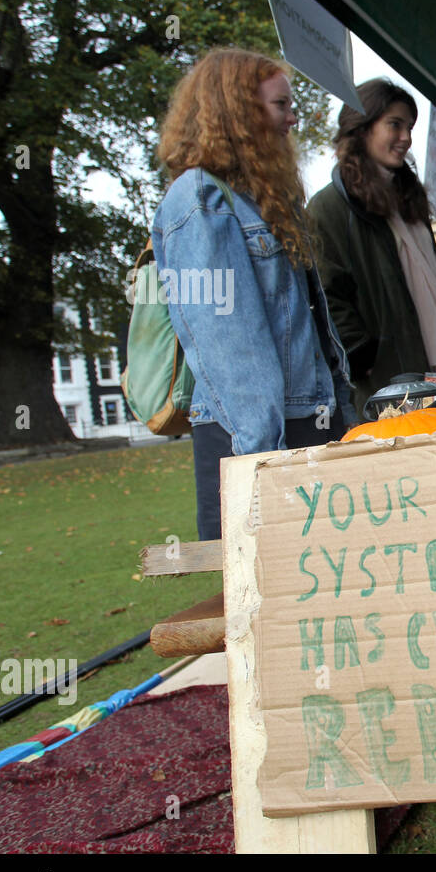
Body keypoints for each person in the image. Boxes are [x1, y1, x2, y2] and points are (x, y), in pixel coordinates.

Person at [153, 48, 354, 542]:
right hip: (256, 440)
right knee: (269, 606)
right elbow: (228, 344)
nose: (293, 117)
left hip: (301, 424)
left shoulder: (262, 201)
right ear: (238, 114)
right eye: (280, 105)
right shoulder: (201, 199)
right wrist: (262, 463)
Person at [308, 80, 436, 418]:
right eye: (394, 124)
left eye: (409, 127)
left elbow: (416, 277)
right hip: (381, 384)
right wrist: (359, 353)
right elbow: (326, 293)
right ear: (361, 128)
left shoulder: (407, 199)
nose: (406, 137)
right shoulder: (329, 206)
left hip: (434, 370)